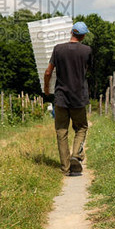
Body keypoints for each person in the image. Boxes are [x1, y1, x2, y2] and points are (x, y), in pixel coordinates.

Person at [43, 21, 92, 177]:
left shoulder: (58, 49)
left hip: (61, 97)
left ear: (72, 32)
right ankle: (76, 155)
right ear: (83, 35)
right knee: (81, 127)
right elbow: (87, 71)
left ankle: (65, 168)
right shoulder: (87, 51)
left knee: (61, 131)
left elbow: (48, 72)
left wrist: (46, 88)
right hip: (79, 97)